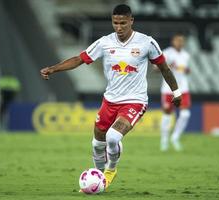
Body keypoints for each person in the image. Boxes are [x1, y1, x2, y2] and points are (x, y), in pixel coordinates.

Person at [40, 4, 181, 189]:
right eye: (115, 23)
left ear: (131, 21)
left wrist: (176, 92)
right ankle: (98, 181)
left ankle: (111, 169)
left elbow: (164, 67)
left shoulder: (147, 42)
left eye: (123, 23)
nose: (119, 27)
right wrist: (53, 68)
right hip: (110, 100)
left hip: (135, 101)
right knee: (97, 145)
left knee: (113, 137)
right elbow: (79, 59)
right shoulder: (105, 43)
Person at [159, 33, 191, 152]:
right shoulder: (166, 53)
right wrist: (167, 66)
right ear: (173, 41)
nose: (180, 43)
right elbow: (157, 69)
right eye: (177, 41)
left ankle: (175, 137)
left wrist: (187, 70)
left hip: (183, 89)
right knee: (167, 114)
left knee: (185, 114)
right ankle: (164, 140)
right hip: (168, 89)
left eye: (182, 41)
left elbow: (186, 70)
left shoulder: (186, 55)